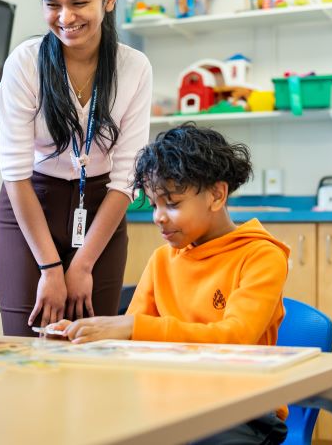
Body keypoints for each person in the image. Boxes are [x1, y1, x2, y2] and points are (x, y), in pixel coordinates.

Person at [57, 124, 290, 445]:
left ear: (217, 195)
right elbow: (131, 339)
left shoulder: (261, 255)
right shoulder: (162, 259)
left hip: (244, 407)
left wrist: (132, 327)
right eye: (154, 205)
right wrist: (89, 338)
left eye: (173, 204)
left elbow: (235, 337)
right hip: (169, 401)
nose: (158, 217)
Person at [0, 0, 153, 336]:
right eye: (53, 4)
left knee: (92, 349)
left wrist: (82, 265)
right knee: (25, 348)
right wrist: (50, 268)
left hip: (101, 210)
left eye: (79, 3)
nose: (66, 17)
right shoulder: (25, 63)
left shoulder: (134, 68)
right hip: (32, 206)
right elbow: (14, 172)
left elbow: (126, 177)